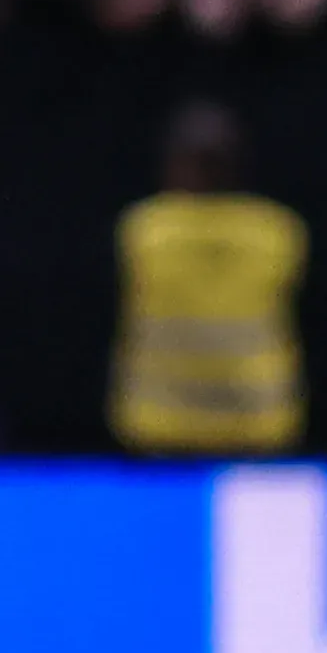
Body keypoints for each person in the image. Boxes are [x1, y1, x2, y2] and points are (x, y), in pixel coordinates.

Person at [110, 100, 308, 455]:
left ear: (177, 165)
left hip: (160, 425)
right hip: (256, 422)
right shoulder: (278, 232)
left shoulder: (146, 230)